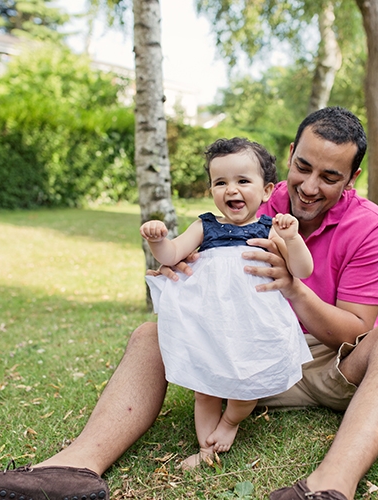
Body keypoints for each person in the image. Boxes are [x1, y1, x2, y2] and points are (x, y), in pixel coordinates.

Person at [0, 107, 378, 500]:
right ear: (289, 156)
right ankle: (72, 468)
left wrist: (295, 288)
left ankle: (326, 489)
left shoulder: (370, 226)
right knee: (149, 333)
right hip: (241, 353)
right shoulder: (251, 195)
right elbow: (202, 256)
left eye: (330, 176)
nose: (308, 186)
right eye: (303, 167)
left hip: (327, 364)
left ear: (353, 176)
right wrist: (181, 270)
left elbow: (354, 332)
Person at [140, 137, 313, 469]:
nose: (231, 190)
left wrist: (292, 238)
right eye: (221, 182)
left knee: (248, 384)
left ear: (266, 190)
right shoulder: (205, 226)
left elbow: (302, 270)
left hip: (254, 324)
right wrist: (158, 240)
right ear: (212, 190)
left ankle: (231, 421)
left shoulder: (271, 228)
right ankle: (206, 450)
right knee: (205, 387)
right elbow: (172, 254)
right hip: (211, 324)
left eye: (243, 181)